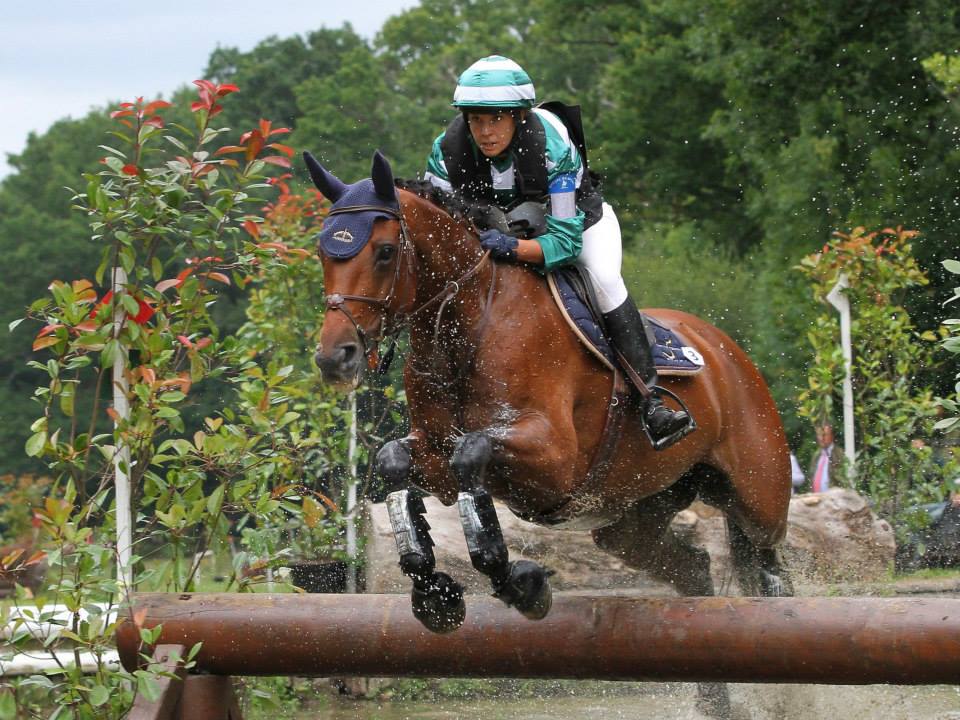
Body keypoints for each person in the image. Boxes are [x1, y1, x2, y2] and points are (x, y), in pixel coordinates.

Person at [424, 55, 689, 448]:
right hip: (501, 230)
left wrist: (513, 247)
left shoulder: (550, 143)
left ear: (518, 116)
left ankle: (651, 401)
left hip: (578, 225)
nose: (485, 131)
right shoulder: (445, 153)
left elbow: (565, 244)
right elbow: (441, 229)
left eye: (496, 119)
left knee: (603, 281)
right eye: (475, 119)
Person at [807, 422, 843, 492]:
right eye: (819, 435)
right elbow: (811, 477)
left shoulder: (839, 454)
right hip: (817, 498)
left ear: (832, 436)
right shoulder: (816, 455)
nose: (821, 438)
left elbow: (842, 478)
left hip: (833, 498)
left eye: (824, 435)